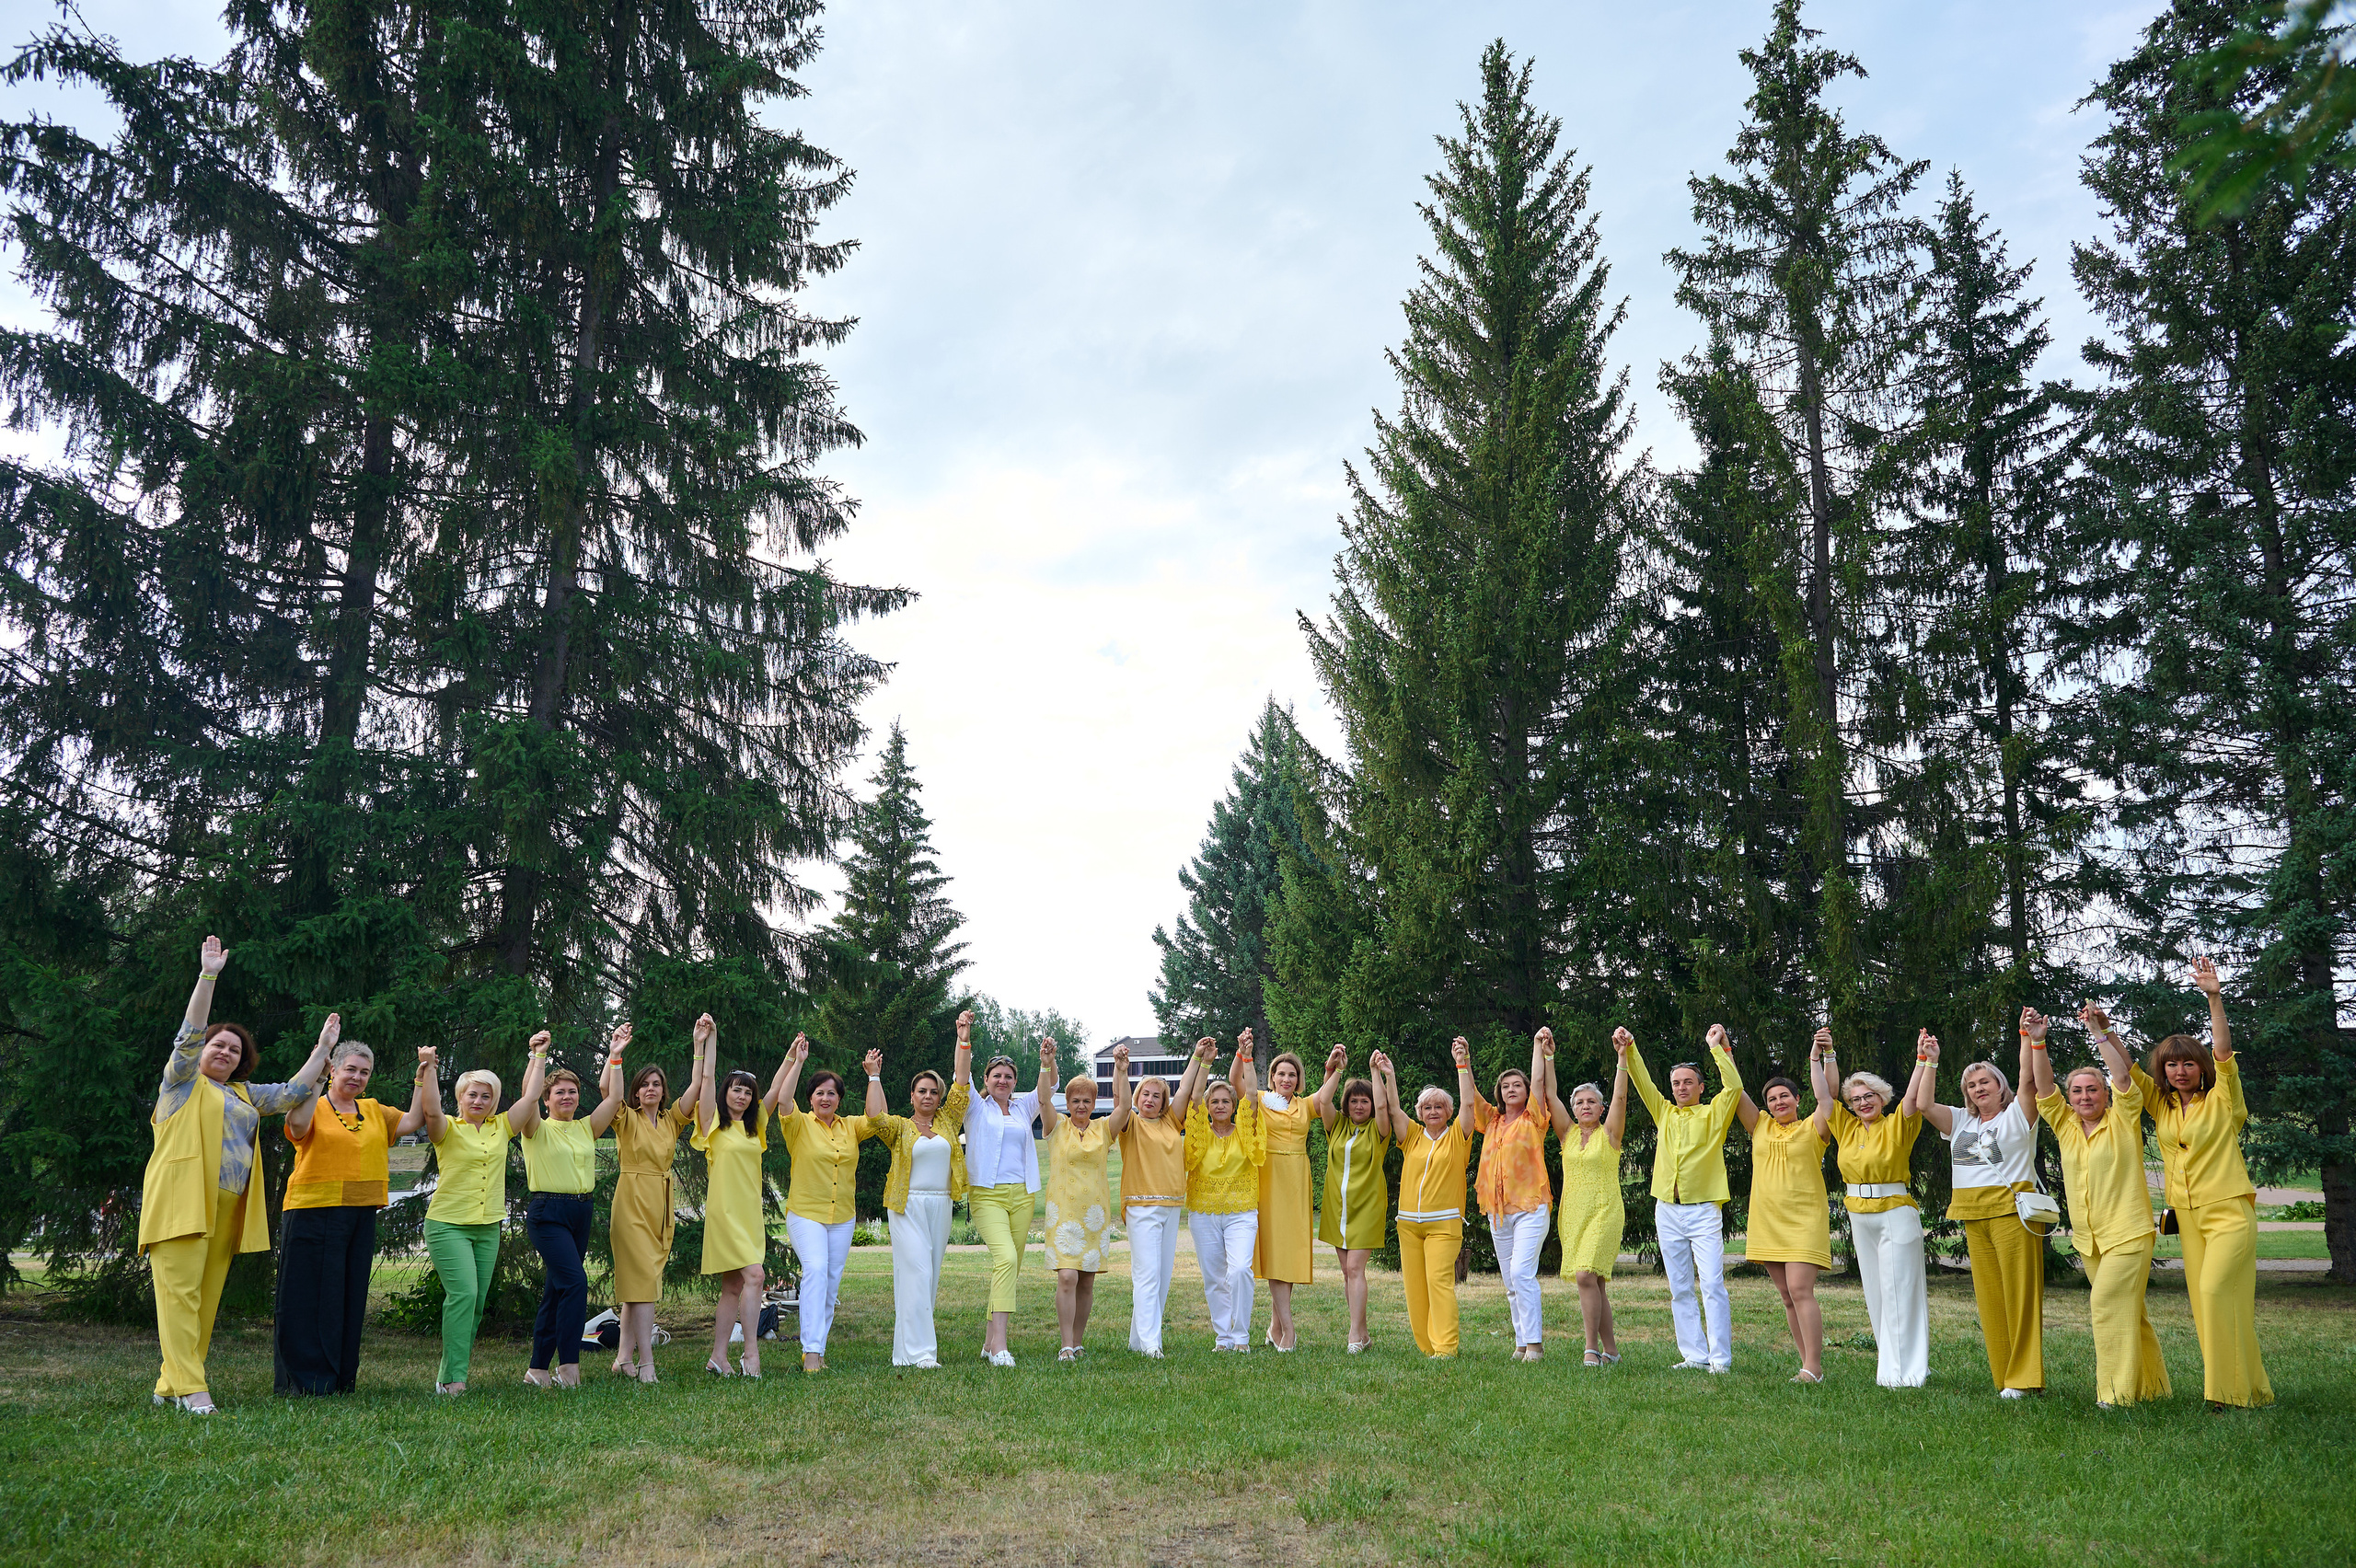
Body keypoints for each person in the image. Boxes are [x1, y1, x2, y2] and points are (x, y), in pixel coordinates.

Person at [141, 937, 332, 1413]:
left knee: (204, 1303)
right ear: (203, 1051)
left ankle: (171, 1385)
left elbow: (292, 1092)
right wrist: (209, 976)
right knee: (179, 1296)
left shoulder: (246, 1096)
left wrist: (324, 1047)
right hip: (182, 1201)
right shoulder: (181, 1084)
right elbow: (188, 1033)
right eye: (217, 1045)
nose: (225, 1051)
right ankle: (192, 1387)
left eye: (233, 1048)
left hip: (228, 1207)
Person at [2125, 958, 2270, 1410]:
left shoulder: (2222, 1099)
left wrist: (2213, 997)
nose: (2180, 1071)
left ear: (2200, 1067)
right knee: (2210, 1307)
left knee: (2215, 1292)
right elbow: (2127, 1074)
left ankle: (2224, 1397)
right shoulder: (2163, 1107)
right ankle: (2253, 1389)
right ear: (2164, 1071)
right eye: (2171, 1066)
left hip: (2229, 1211)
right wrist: (2104, 1032)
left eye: (2188, 1063)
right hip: (2186, 1217)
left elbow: (2224, 1054)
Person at [274, 1034, 431, 1395]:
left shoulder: (374, 1110)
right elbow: (297, 1127)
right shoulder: (313, 1103)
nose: (357, 1077)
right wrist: (313, 1078)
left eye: (364, 1072)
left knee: (345, 1296)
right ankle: (304, 1381)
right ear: (333, 1071)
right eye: (350, 1069)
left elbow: (414, 1120)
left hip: (359, 1213)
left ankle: (340, 1378)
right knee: (305, 1297)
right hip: (312, 1211)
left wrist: (421, 1078)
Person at [2035, 1004, 2170, 1409]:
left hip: (2128, 1232)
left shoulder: (2124, 1116)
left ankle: (2116, 1396)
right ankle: (2153, 1388)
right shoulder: (2064, 1124)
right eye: (2076, 1090)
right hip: (2090, 1240)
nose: (2084, 1096)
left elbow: (2125, 1075)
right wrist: (2037, 1041)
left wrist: (2099, 1032)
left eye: (2092, 1089)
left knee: (2107, 1304)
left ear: (2106, 1093)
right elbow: (2044, 1090)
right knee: (2132, 1311)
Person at [1906, 1013, 2044, 1399]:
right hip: (1973, 1215)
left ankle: (2025, 1378)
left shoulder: (2019, 1114)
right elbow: (1922, 1102)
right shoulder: (1960, 1122)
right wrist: (1929, 1060)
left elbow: (2028, 1080)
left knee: (2020, 1297)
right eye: (1971, 1084)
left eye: (1985, 1081)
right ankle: (2005, 1378)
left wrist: (2026, 1037)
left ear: (2000, 1087)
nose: (1978, 1088)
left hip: (2013, 1214)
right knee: (1991, 1301)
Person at [512, 1025, 628, 1388]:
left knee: (557, 1289)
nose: (567, 1097)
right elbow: (527, 1099)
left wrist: (616, 1055)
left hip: (580, 1212)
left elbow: (613, 1100)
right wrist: (537, 1056)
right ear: (547, 1099)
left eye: (572, 1092)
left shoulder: (585, 1127)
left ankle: (537, 1369)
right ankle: (569, 1365)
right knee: (576, 1283)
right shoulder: (535, 1127)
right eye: (559, 1092)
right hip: (548, 1213)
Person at [1625, 1025, 1744, 1372]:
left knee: (1711, 1283)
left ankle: (1720, 1359)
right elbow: (1642, 1081)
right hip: (1667, 1210)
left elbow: (1734, 1086)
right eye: (1676, 1083)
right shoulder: (1664, 1112)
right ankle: (1694, 1354)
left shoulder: (1714, 1112)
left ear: (1700, 1087)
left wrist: (1716, 1048)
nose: (1681, 1088)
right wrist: (1630, 1047)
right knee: (1679, 1286)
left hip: (1704, 1209)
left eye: (1688, 1082)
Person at [1818, 1028, 1931, 1389]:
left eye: (1869, 1097)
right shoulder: (1846, 1128)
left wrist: (1923, 1060)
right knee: (1877, 1294)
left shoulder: (1899, 1123)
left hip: (1895, 1211)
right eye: (1856, 1100)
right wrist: (1820, 1056)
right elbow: (1823, 1097)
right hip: (1859, 1214)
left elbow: (1913, 1099)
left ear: (1882, 1098)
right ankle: (1890, 1367)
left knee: (1901, 1290)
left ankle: (1910, 1373)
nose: (1863, 1103)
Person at [864, 1013, 976, 1368]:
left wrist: (963, 1037)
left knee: (927, 1279)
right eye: (921, 1091)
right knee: (917, 1272)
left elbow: (961, 1081)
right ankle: (924, 1354)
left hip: (940, 1206)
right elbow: (874, 1117)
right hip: (906, 1205)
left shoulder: (947, 1120)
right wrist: (874, 1077)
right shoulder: (900, 1127)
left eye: (933, 1091)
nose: (928, 1095)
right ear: (912, 1096)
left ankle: (904, 1353)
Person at [605, 1015, 707, 1383]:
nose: (651, 1088)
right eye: (645, 1084)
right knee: (643, 1284)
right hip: (631, 1201)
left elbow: (696, 1087)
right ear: (635, 1092)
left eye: (657, 1084)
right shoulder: (624, 1116)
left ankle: (622, 1360)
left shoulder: (671, 1120)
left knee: (637, 1287)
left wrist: (699, 1045)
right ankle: (646, 1363)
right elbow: (607, 1090)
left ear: (664, 1091)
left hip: (661, 1204)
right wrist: (615, 1054)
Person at [690, 1020, 794, 1378]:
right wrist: (706, 1041)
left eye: (748, 1093)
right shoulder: (712, 1124)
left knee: (733, 1285)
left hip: (749, 1215)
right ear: (726, 1093)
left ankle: (718, 1356)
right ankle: (751, 1354)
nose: (743, 1096)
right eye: (736, 1090)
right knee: (756, 1276)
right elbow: (706, 1079)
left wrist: (791, 1057)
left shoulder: (755, 1126)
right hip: (725, 1213)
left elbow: (778, 1088)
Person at [774, 1036, 883, 1373]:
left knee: (830, 1283)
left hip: (843, 1217)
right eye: (819, 1092)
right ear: (811, 1099)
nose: (825, 1097)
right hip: (806, 1213)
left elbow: (878, 1117)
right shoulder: (798, 1123)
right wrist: (797, 1060)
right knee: (816, 1272)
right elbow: (782, 1098)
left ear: (839, 1099)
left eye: (832, 1092)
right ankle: (812, 1353)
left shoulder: (850, 1126)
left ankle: (816, 1347)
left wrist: (873, 1076)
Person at [418, 1058, 525, 1394]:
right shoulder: (447, 1128)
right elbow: (432, 1112)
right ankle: (454, 1380)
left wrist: (536, 1056)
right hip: (447, 1224)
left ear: (493, 1101)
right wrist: (429, 1067)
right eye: (472, 1095)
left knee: (476, 1304)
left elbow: (532, 1098)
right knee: (463, 1294)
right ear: (461, 1098)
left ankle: (447, 1375)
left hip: (488, 1225)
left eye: (485, 1096)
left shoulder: (502, 1127)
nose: (478, 1101)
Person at [1732, 1030, 1834, 1383]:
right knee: (1787, 1295)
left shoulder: (1814, 1127)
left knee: (1801, 1289)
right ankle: (1805, 1362)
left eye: (1784, 1096)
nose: (1778, 1102)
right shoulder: (1759, 1125)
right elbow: (1736, 1091)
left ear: (1797, 1099)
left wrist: (1817, 1057)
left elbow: (1829, 1098)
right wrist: (1724, 1050)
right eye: (1772, 1098)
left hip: (1804, 1218)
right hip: (1768, 1220)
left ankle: (1815, 1368)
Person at [1372, 1040, 1477, 1360]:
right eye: (1427, 1107)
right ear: (1420, 1113)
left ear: (1447, 1112)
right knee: (1415, 1290)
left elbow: (1469, 1105)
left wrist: (1462, 1063)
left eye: (1439, 1107)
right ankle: (1427, 1347)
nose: (1433, 1111)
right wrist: (1387, 1075)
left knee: (1438, 1282)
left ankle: (1445, 1348)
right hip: (1408, 1225)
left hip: (1444, 1224)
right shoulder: (1412, 1135)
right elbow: (1392, 1110)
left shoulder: (1459, 1135)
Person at [964, 1034, 1060, 1366]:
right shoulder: (975, 1107)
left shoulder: (1023, 1107)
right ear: (988, 1080)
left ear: (1015, 1082)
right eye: (996, 1076)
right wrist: (964, 1042)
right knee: (1005, 1259)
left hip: (1022, 1196)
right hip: (987, 1195)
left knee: (1011, 1267)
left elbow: (1048, 1089)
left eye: (1008, 1077)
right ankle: (1000, 1347)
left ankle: (989, 1340)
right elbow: (962, 1078)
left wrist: (1047, 1061)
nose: (1002, 1081)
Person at [1541, 1027, 1629, 1367]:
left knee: (1584, 1276)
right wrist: (1549, 1056)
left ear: (1602, 1107)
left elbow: (1621, 1098)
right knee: (1596, 1282)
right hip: (1573, 1212)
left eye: (1592, 1101)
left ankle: (1590, 1348)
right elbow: (1550, 1095)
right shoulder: (1567, 1133)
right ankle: (1613, 1352)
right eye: (1579, 1102)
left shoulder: (1610, 1134)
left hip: (1605, 1210)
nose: (1585, 1105)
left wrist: (1621, 1058)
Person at [1118, 1039, 1208, 1357]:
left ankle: (1137, 1340)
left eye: (1157, 1096)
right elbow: (1120, 1097)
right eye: (1146, 1094)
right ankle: (1151, 1344)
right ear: (1138, 1097)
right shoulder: (1129, 1123)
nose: (1151, 1100)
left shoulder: (1171, 1121)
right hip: (1142, 1206)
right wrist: (1121, 1069)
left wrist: (1198, 1056)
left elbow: (1185, 1089)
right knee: (1147, 1274)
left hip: (1171, 1207)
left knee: (1162, 1276)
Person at [1044, 1045, 1132, 1360]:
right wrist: (1047, 1064)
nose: (1081, 1105)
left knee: (1086, 1281)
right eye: (1075, 1100)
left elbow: (1125, 1109)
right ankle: (1065, 1343)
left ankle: (1078, 1341)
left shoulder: (1103, 1129)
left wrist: (1121, 1071)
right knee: (1067, 1276)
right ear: (1067, 1103)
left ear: (1094, 1103)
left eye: (1087, 1101)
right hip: (1063, 1213)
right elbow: (1043, 1099)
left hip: (1094, 1215)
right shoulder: (1056, 1127)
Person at [1472, 1031, 1553, 1361]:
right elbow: (1470, 1099)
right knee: (1510, 1281)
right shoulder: (1491, 1121)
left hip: (1531, 1206)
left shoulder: (1534, 1118)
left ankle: (1535, 1345)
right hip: (1497, 1211)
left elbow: (1538, 1081)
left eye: (1515, 1085)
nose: (1511, 1090)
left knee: (1521, 1273)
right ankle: (1521, 1342)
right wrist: (1462, 1063)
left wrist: (1537, 1046)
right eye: (1505, 1086)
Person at [1184, 1033, 1267, 1352]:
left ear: (1234, 1106)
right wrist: (1204, 1062)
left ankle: (1242, 1336)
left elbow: (1254, 1097)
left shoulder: (1245, 1130)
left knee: (1240, 1271)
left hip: (1241, 1211)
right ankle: (1223, 1337)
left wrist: (1246, 1056)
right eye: (1214, 1101)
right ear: (1208, 1107)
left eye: (1226, 1101)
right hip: (1203, 1212)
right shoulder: (1199, 1130)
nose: (1220, 1105)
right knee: (1215, 1278)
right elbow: (1192, 1099)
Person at [1312, 1045, 1390, 1355]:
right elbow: (1322, 1100)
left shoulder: (1378, 1130)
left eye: (1365, 1100)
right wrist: (1337, 1070)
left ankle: (1354, 1334)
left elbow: (1384, 1110)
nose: (1360, 1105)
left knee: (1356, 1269)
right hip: (1337, 1207)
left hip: (1366, 1207)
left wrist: (1375, 1073)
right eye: (1354, 1100)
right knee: (1347, 1272)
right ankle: (1364, 1333)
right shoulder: (1338, 1126)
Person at [1244, 1044, 1315, 1351]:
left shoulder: (1304, 1105)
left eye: (1292, 1074)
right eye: (1281, 1073)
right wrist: (1243, 1054)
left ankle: (1275, 1327)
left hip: (1297, 1178)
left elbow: (1325, 1096)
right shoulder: (1260, 1099)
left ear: (1298, 1079)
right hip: (1268, 1177)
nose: (1286, 1079)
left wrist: (1336, 1069)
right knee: (1275, 1252)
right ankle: (1287, 1328)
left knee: (1289, 1252)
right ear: (1271, 1077)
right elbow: (1238, 1083)